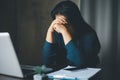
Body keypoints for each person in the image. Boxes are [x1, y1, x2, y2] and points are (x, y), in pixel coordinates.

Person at [42, 0, 101, 70]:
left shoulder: (89, 35)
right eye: (57, 23)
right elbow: (47, 63)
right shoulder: (57, 32)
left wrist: (65, 32)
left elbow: (79, 63)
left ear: (74, 21)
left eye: (64, 23)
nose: (60, 26)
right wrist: (50, 31)